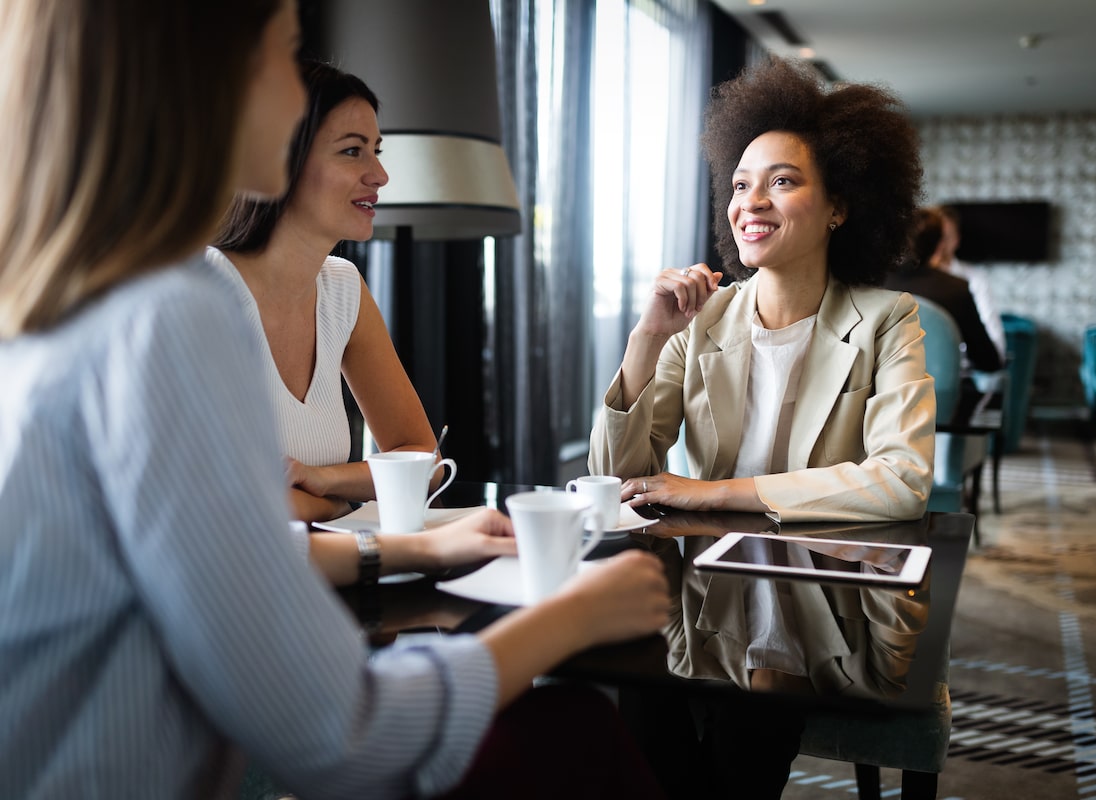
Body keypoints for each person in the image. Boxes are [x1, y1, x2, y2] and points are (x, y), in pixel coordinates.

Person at [0, 2, 670, 799]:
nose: (380, 174)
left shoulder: (76, 299)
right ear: (211, 77)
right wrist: (576, 615)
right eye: (286, 56)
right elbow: (339, 730)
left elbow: (372, 481)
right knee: (576, 728)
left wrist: (343, 502)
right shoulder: (175, 310)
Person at [588, 58, 935, 523]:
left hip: (827, 577)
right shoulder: (698, 319)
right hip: (712, 584)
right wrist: (646, 338)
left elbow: (903, 483)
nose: (751, 202)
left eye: (781, 181)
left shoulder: (888, 319)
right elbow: (615, 482)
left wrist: (714, 493)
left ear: (838, 206)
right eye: (740, 185)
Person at [211, 60, 434, 525]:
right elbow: (223, 507)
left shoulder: (342, 287)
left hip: (332, 574)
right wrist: (343, 504)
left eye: (376, 150)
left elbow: (421, 458)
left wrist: (326, 480)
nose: (380, 175)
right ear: (279, 161)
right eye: (353, 151)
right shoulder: (204, 293)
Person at [884, 207, 1003, 374]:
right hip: (941, 391)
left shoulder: (878, 283)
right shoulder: (956, 289)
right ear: (939, 246)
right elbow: (988, 361)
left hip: (885, 388)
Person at [933, 205, 1007, 360]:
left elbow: (995, 341)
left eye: (946, 237)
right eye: (935, 237)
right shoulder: (906, 280)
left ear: (957, 239)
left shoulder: (974, 280)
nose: (941, 245)